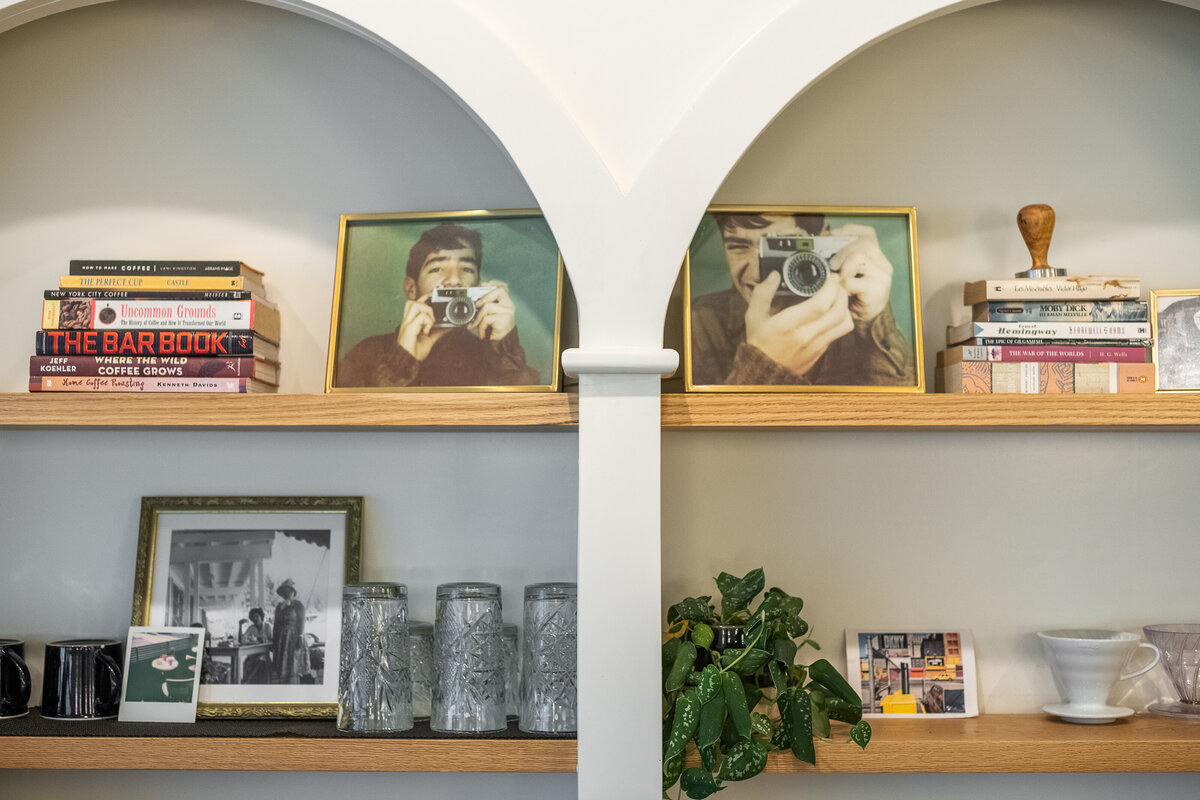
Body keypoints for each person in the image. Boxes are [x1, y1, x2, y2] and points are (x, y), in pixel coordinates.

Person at [689, 212, 915, 386]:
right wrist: (763, 365)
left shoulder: (853, 311)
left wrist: (874, 322)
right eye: (738, 247)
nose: (758, 272)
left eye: (780, 246)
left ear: (823, 239)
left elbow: (904, 420)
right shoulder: (701, 323)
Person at [337, 223, 541, 387]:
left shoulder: (494, 356)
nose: (453, 280)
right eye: (436, 269)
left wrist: (503, 349)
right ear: (411, 288)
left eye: (467, 269)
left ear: (479, 286)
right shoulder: (366, 353)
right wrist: (400, 360)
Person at [271, 579, 310, 685]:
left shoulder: (298, 605)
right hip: (281, 640)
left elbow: (301, 622)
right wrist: (274, 641)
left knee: (293, 667)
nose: (286, 593)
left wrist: (300, 637)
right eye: (284, 591)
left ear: (293, 592)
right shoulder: (279, 607)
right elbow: (276, 624)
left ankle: (294, 689)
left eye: (289, 591)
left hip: (294, 637)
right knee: (283, 668)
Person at [240, 607, 273, 684]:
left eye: (256, 616)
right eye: (253, 617)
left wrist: (261, 640)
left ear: (261, 617)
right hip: (254, 653)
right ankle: (250, 682)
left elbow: (273, 641)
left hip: (267, 653)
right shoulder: (251, 628)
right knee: (249, 661)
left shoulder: (268, 626)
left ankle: (248, 681)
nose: (255, 619)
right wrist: (251, 640)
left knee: (261, 660)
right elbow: (243, 640)